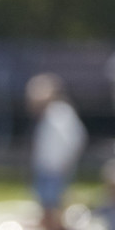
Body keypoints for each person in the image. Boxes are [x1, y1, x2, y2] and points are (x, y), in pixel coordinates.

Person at [27, 72, 87, 215]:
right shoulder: (46, 115)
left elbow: (76, 140)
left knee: (54, 207)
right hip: (45, 169)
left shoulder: (61, 113)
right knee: (45, 206)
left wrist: (65, 163)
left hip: (55, 171)